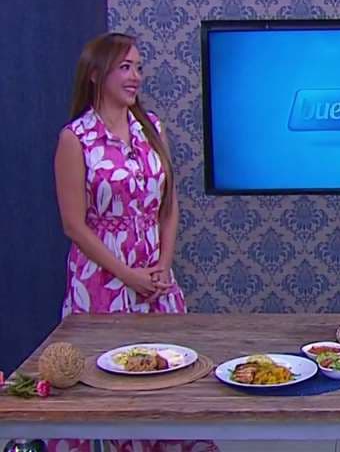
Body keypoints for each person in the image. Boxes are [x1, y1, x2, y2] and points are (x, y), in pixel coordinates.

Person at [50, 33, 217, 452]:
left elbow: (169, 205)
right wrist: (128, 276)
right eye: (125, 67)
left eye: (138, 68)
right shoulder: (76, 139)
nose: (136, 77)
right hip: (102, 283)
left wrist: (163, 264)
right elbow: (73, 225)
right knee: (107, 386)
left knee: (167, 377)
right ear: (95, 74)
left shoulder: (151, 128)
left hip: (156, 282)